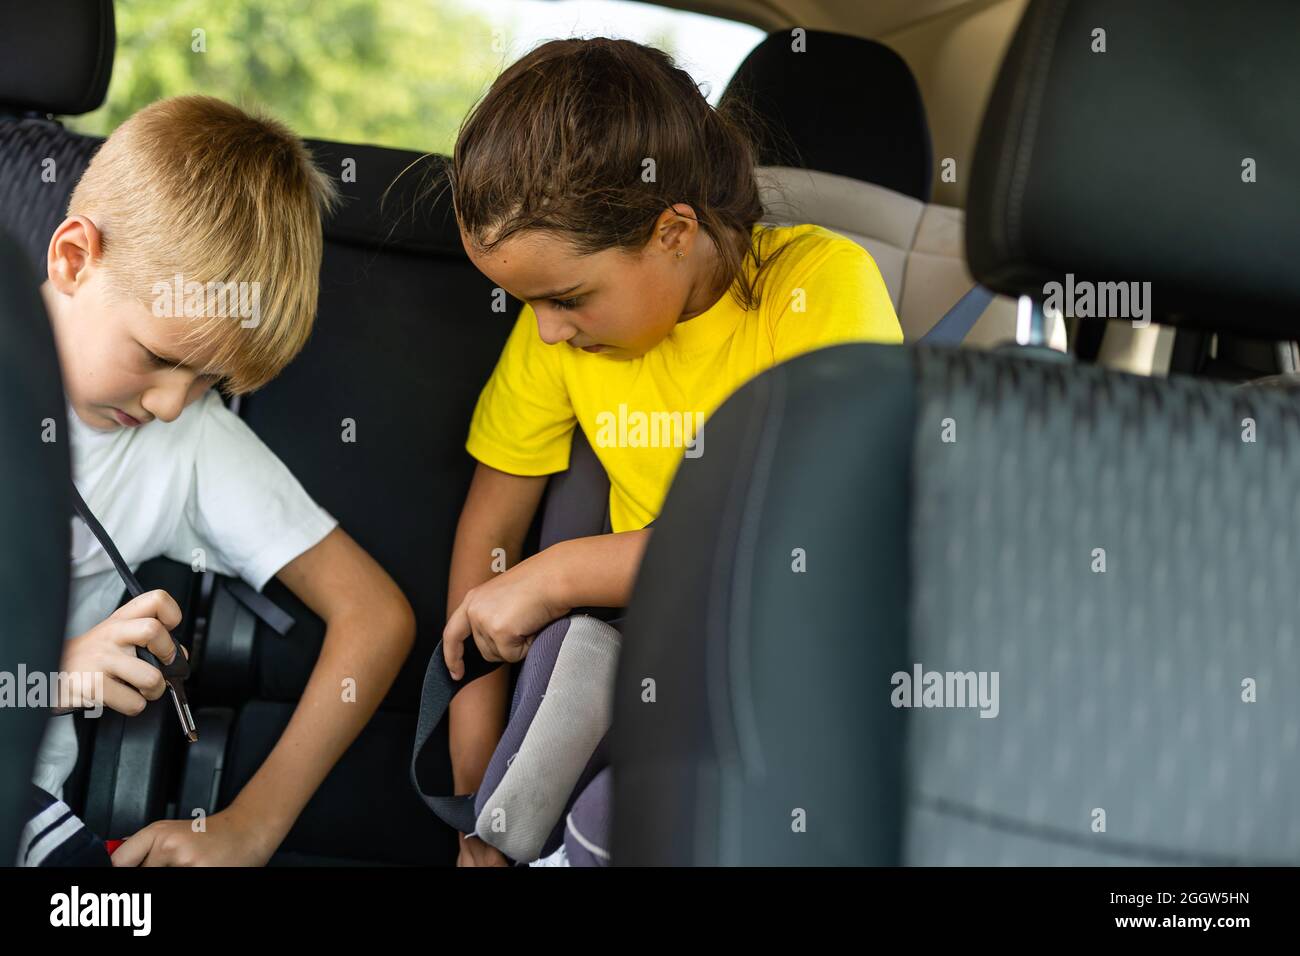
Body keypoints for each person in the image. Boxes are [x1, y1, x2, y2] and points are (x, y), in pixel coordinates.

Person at [439, 38, 903, 866]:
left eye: (567, 298)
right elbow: (493, 527)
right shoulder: (556, 334)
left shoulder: (819, 289)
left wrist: (556, 575)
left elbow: (807, 543)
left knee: (622, 823)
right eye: (527, 303)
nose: (545, 330)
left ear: (674, 231)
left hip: (794, 655)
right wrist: (478, 772)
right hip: (640, 641)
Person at [24, 95, 415, 867]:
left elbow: (375, 617)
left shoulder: (191, 443)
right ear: (74, 258)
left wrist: (250, 825)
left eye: (210, 381)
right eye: (160, 358)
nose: (172, 404)